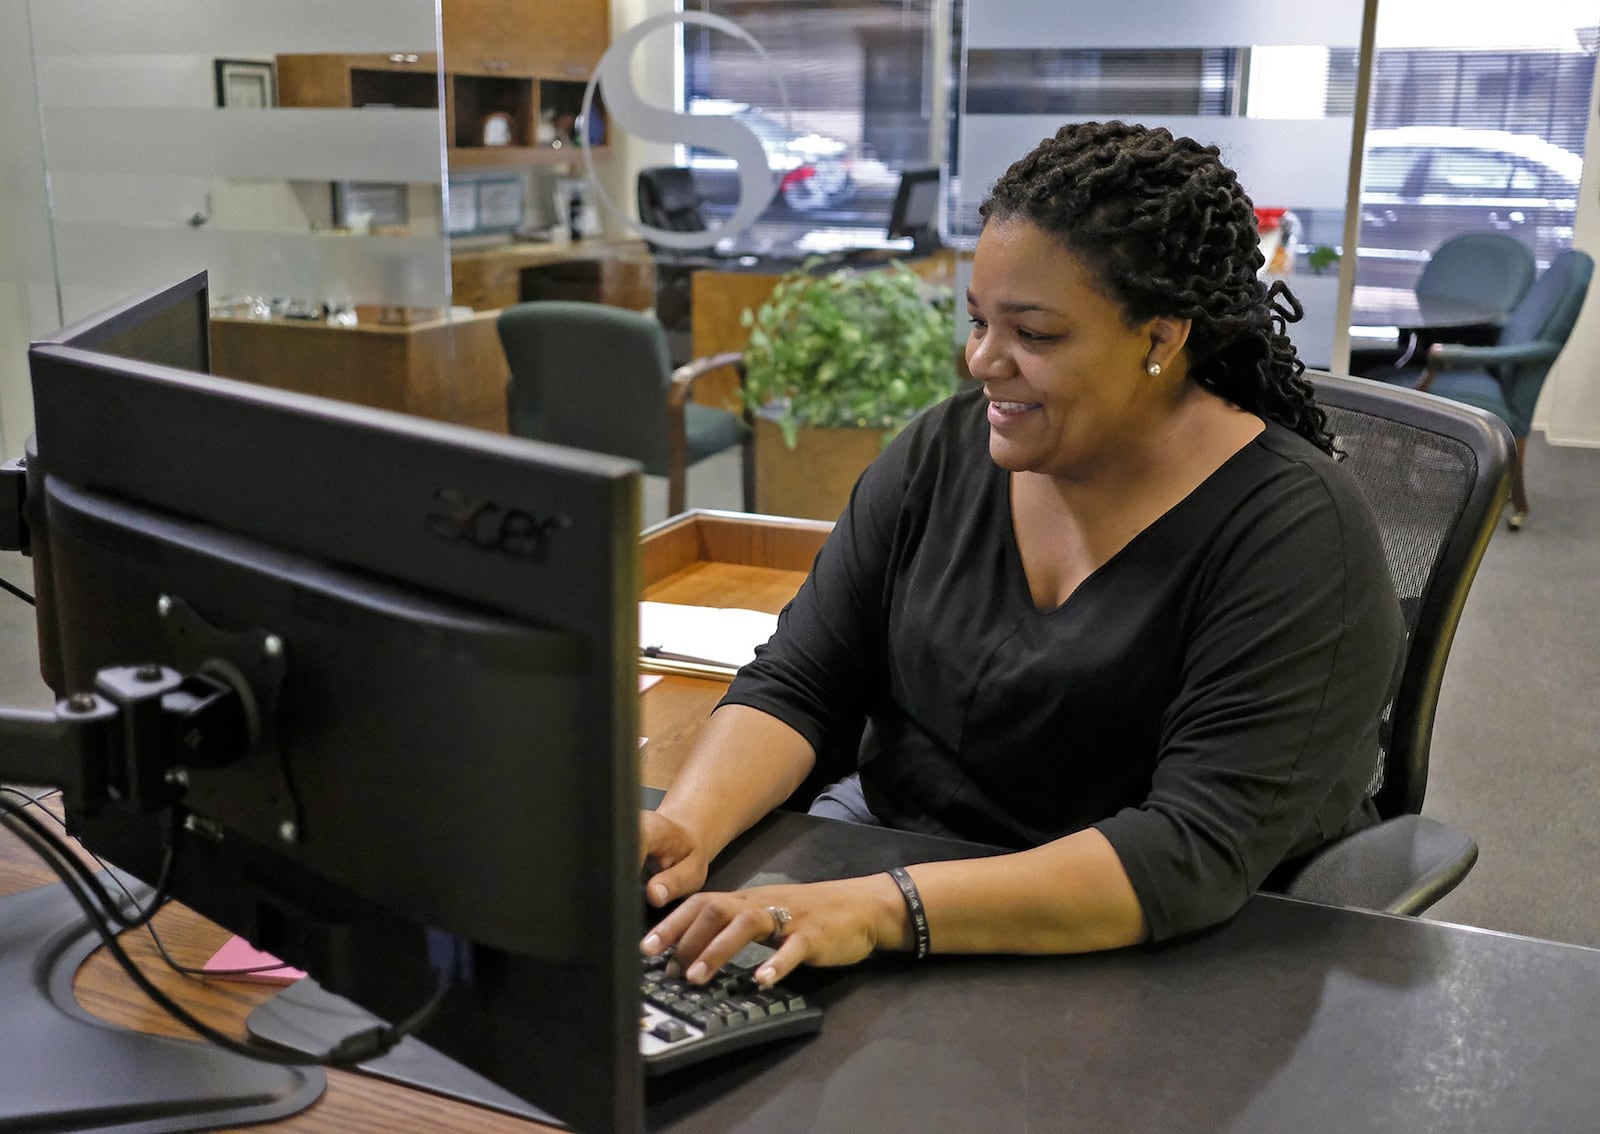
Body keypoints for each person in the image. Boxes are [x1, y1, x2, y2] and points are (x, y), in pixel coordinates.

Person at [640, 120, 1405, 989]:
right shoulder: (945, 450)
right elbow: (803, 679)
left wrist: (878, 908)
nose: (981, 362)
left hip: (1144, 947)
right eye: (977, 322)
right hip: (896, 878)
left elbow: (1189, 851)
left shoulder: (1294, 535)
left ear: (1160, 338)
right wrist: (689, 827)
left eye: (1034, 336)